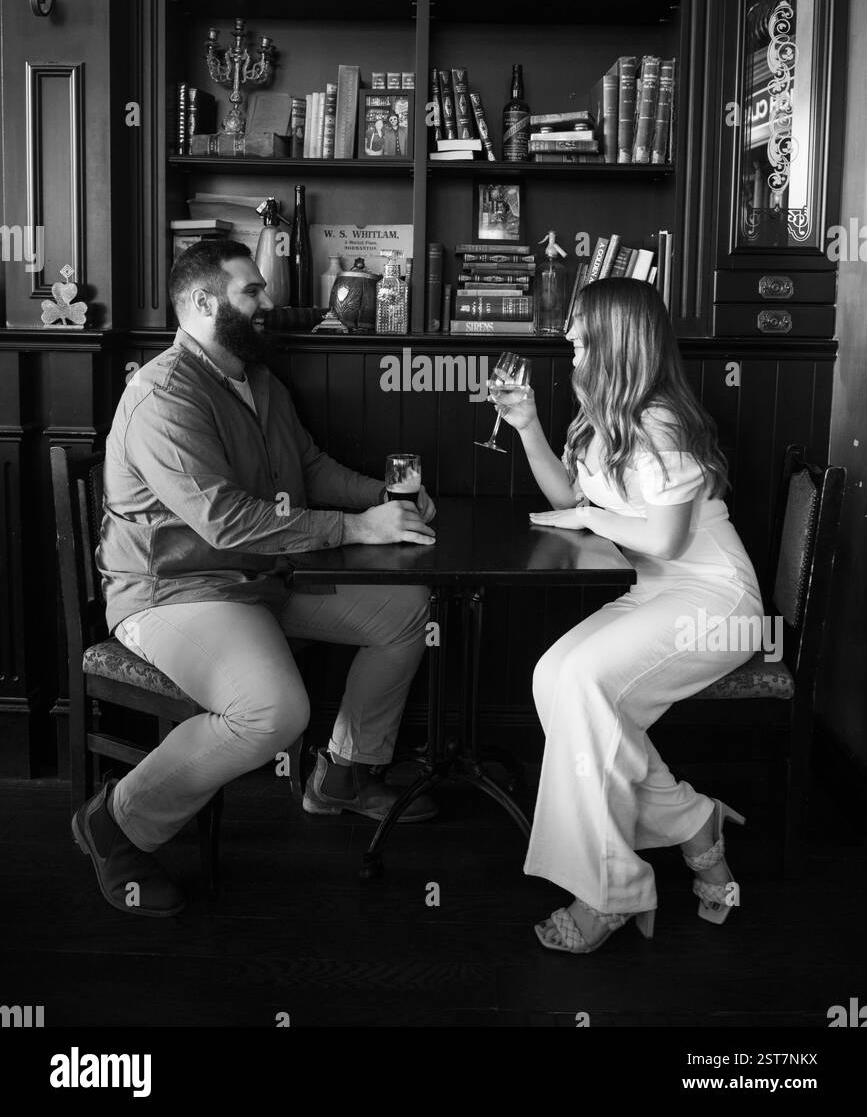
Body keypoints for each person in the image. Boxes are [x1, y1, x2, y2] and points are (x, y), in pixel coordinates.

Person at [76, 241, 437, 918]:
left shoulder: (256, 378)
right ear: (206, 302)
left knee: (406, 608)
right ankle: (115, 823)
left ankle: (341, 775)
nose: (267, 302)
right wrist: (354, 531)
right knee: (274, 710)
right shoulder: (161, 393)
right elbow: (224, 523)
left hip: (262, 579)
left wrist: (385, 499)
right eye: (251, 291)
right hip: (177, 591)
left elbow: (310, 467)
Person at [495, 277, 764, 954]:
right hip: (657, 590)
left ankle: (608, 894)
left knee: (584, 684)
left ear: (617, 341)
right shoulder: (598, 414)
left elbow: (667, 539)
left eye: (581, 336)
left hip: (714, 598)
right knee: (552, 676)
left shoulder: (662, 420)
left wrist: (589, 515)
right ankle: (694, 823)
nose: (568, 345)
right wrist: (526, 426)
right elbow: (566, 490)